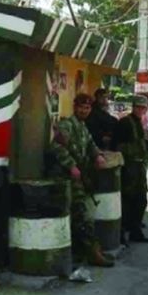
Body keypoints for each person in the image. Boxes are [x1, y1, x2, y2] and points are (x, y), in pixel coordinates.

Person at [48, 93, 114, 268]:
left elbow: (90, 144)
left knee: (81, 215)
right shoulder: (67, 125)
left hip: (79, 177)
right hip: (66, 177)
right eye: (81, 107)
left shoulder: (83, 127)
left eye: (87, 108)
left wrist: (98, 155)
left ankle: (84, 251)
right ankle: (91, 252)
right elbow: (56, 146)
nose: (84, 111)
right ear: (75, 107)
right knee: (82, 215)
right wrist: (71, 166)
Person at [115, 95, 148, 244]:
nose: (141, 110)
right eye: (138, 107)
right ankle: (123, 232)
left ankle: (135, 230)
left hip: (139, 165)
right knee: (127, 200)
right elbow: (117, 145)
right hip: (129, 166)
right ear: (134, 107)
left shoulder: (138, 122)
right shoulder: (125, 122)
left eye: (143, 108)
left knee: (140, 199)